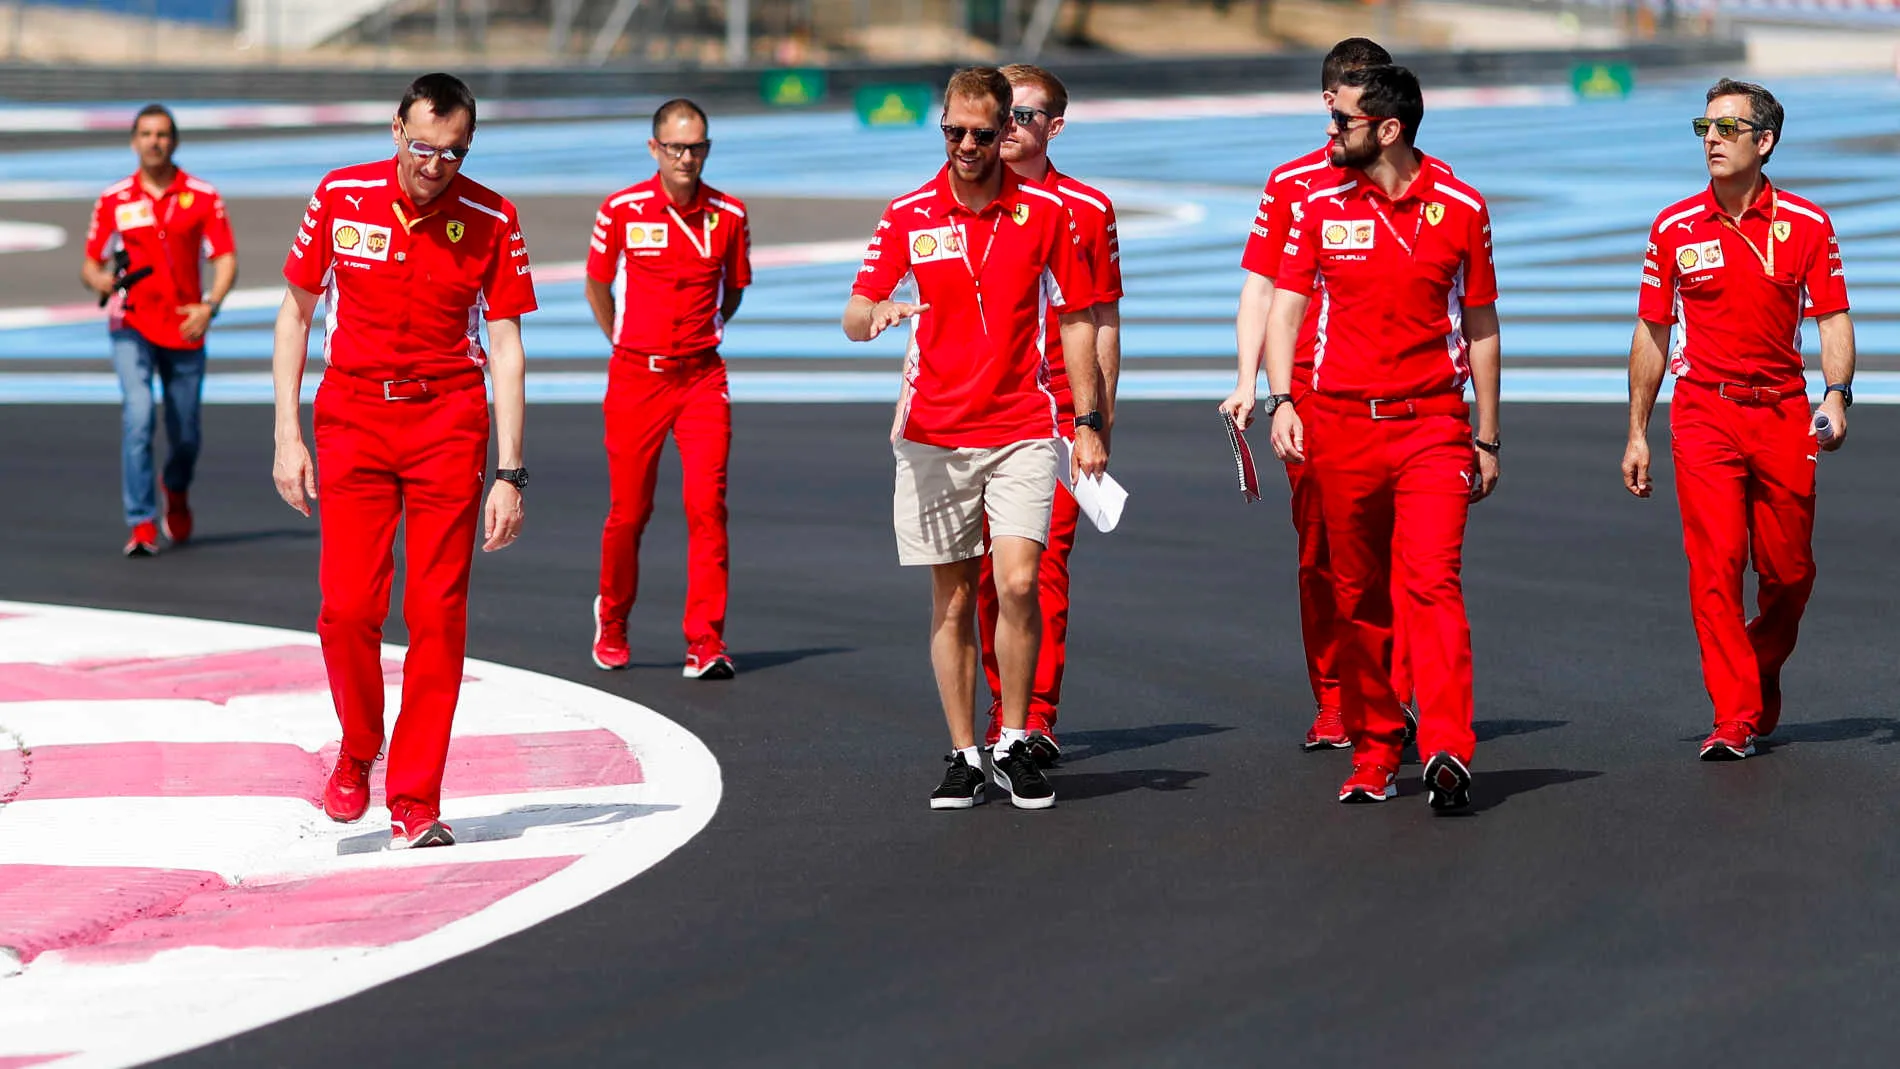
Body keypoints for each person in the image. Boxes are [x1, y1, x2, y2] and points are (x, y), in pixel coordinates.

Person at [269, 73, 536, 849]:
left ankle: (416, 796)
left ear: (468, 148)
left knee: (437, 611)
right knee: (348, 607)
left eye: (451, 153)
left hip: (448, 421)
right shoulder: (340, 195)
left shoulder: (491, 216)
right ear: (395, 130)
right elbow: (295, 315)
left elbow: (510, 349)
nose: (434, 164)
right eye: (422, 146)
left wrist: (510, 473)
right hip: (351, 414)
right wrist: (288, 433)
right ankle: (358, 747)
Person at [1224, 64, 1501, 810]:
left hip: (1433, 426)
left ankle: (1446, 743)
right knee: (1357, 594)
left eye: (1341, 120)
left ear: (1388, 128)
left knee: (1433, 582)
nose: (1329, 131)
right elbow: (1284, 309)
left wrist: (1488, 433)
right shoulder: (1317, 206)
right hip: (1340, 423)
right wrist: (1282, 398)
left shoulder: (1463, 206)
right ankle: (1376, 745)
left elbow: (1480, 325)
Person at [842, 66, 1106, 811]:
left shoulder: (1048, 213)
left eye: (980, 133)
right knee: (954, 602)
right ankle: (965, 752)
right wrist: (881, 312)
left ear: (1005, 132)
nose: (965, 144)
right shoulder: (907, 213)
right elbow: (855, 312)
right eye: (952, 131)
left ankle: (1015, 737)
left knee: (1019, 581)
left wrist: (1087, 422)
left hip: (1023, 424)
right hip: (932, 434)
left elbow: (1080, 318)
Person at [1621, 78, 1854, 760]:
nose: (1712, 140)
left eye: (1726, 128)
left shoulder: (1808, 224)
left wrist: (1835, 395)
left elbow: (1833, 317)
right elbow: (1651, 332)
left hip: (1783, 412)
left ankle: (1760, 659)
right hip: (1703, 412)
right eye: (1705, 128)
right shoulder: (1672, 227)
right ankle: (1734, 714)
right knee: (1716, 566)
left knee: (1789, 572)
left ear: (1765, 141)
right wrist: (1637, 429)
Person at [1235, 37, 1430, 752]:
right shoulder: (1291, 184)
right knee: (1325, 550)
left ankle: (1395, 693)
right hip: (1312, 389)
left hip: (1404, 387)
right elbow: (1261, 287)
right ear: (1330, 99)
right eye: (1349, 92)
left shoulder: (1424, 183)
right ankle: (1335, 693)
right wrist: (1250, 381)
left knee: (1408, 551)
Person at [965, 62, 1124, 767]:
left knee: (1036, 570)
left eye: (1023, 115)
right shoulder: (955, 200)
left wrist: (1098, 418)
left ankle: (1031, 717)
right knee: (979, 574)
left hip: (1055, 412)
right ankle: (1005, 704)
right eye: (1002, 113)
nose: (1006, 127)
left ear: (1055, 126)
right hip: (970, 412)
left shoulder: (1087, 209)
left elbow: (1104, 319)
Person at [585, 99, 751, 680]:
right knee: (630, 512)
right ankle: (613, 620)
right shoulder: (622, 209)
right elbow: (597, 285)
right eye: (677, 147)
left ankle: (706, 641)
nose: (687, 157)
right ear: (654, 149)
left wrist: (707, 333)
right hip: (636, 376)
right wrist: (625, 340)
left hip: (703, 377)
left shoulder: (729, 213)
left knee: (708, 507)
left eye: (698, 146)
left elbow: (734, 290)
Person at [81, 103, 237, 557]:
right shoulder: (114, 199)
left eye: (163, 134)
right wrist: (103, 282)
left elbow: (225, 258)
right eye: (146, 134)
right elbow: (90, 264)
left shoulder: (204, 196)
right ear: (134, 141)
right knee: (139, 417)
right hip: (130, 324)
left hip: (186, 327)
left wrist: (209, 306)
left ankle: (177, 490)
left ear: (175, 141)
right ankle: (142, 521)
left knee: (185, 432)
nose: (155, 141)